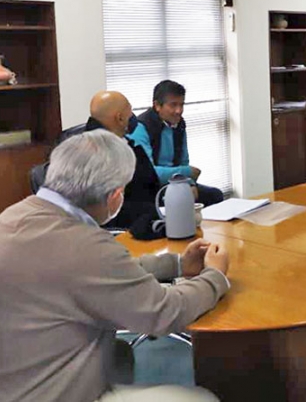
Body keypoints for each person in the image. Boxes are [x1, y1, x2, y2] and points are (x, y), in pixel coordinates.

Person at [0, 130, 230, 402]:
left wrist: (176, 264)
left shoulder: (14, 216)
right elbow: (165, 313)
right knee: (204, 398)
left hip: (16, 378)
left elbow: (92, 273)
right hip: (54, 391)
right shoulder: (85, 244)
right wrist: (215, 276)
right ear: (115, 196)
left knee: (121, 355)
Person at [129, 80, 224, 206]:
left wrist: (190, 183)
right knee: (179, 201)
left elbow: (184, 160)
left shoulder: (179, 124)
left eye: (181, 105)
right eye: (173, 105)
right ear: (157, 105)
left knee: (215, 195)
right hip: (151, 187)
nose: (178, 110)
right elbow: (149, 172)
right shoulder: (141, 127)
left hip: (176, 182)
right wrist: (187, 173)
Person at [84, 91, 161, 228]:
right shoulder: (100, 154)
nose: (133, 117)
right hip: (127, 225)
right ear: (119, 118)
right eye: (130, 111)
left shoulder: (121, 142)